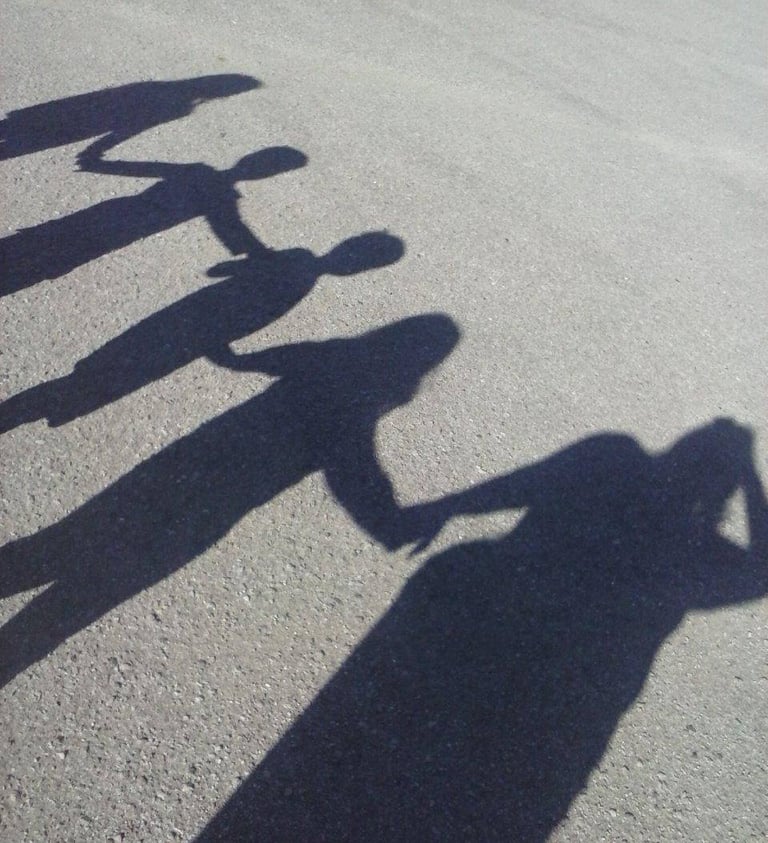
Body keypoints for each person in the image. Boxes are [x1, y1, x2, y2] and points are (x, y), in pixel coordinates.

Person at [196, 418, 767, 841]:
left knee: (360, 753)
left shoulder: (612, 456)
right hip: (568, 700)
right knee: (476, 796)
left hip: (475, 612)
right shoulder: (701, 554)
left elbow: (528, 483)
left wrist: (448, 505)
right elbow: (761, 573)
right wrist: (749, 474)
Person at [0, 314, 460, 689]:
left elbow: (258, 359)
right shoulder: (357, 398)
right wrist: (389, 521)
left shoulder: (336, 354)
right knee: (92, 588)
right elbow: (352, 469)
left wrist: (229, 348)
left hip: (180, 462)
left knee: (67, 541)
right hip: (214, 506)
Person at [0, 232, 404, 432]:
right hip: (187, 329)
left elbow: (227, 279)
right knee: (107, 370)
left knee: (107, 370)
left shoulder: (297, 267)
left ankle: (43, 405)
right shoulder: (298, 276)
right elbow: (236, 298)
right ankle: (44, 405)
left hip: (186, 326)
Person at [1, 145, 306, 297]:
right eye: (268, 167)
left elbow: (230, 227)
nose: (260, 170)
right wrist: (260, 253)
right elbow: (230, 226)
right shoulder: (212, 184)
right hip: (108, 227)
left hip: (107, 225)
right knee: (37, 254)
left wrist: (100, 163)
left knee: (34, 253)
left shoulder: (206, 177)